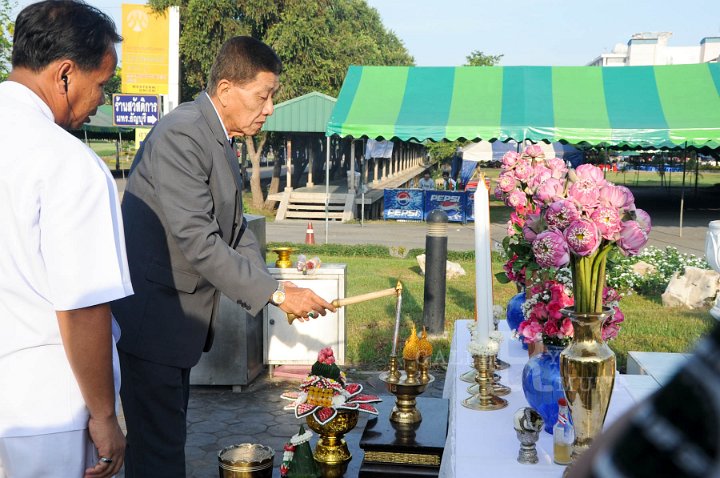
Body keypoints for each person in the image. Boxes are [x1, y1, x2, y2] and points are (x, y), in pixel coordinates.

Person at [111, 36, 335, 476]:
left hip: (175, 325)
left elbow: (235, 232)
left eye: (272, 97)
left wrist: (280, 286)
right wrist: (274, 295)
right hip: (153, 322)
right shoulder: (183, 133)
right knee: (159, 453)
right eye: (263, 96)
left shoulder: (217, 135)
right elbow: (199, 239)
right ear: (227, 89)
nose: (270, 107)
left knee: (163, 443)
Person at [0, 2, 131, 477]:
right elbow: (83, 306)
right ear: (65, 74)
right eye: (101, 84)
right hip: (45, 410)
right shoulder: (67, 162)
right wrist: (104, 415)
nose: (102, 99)